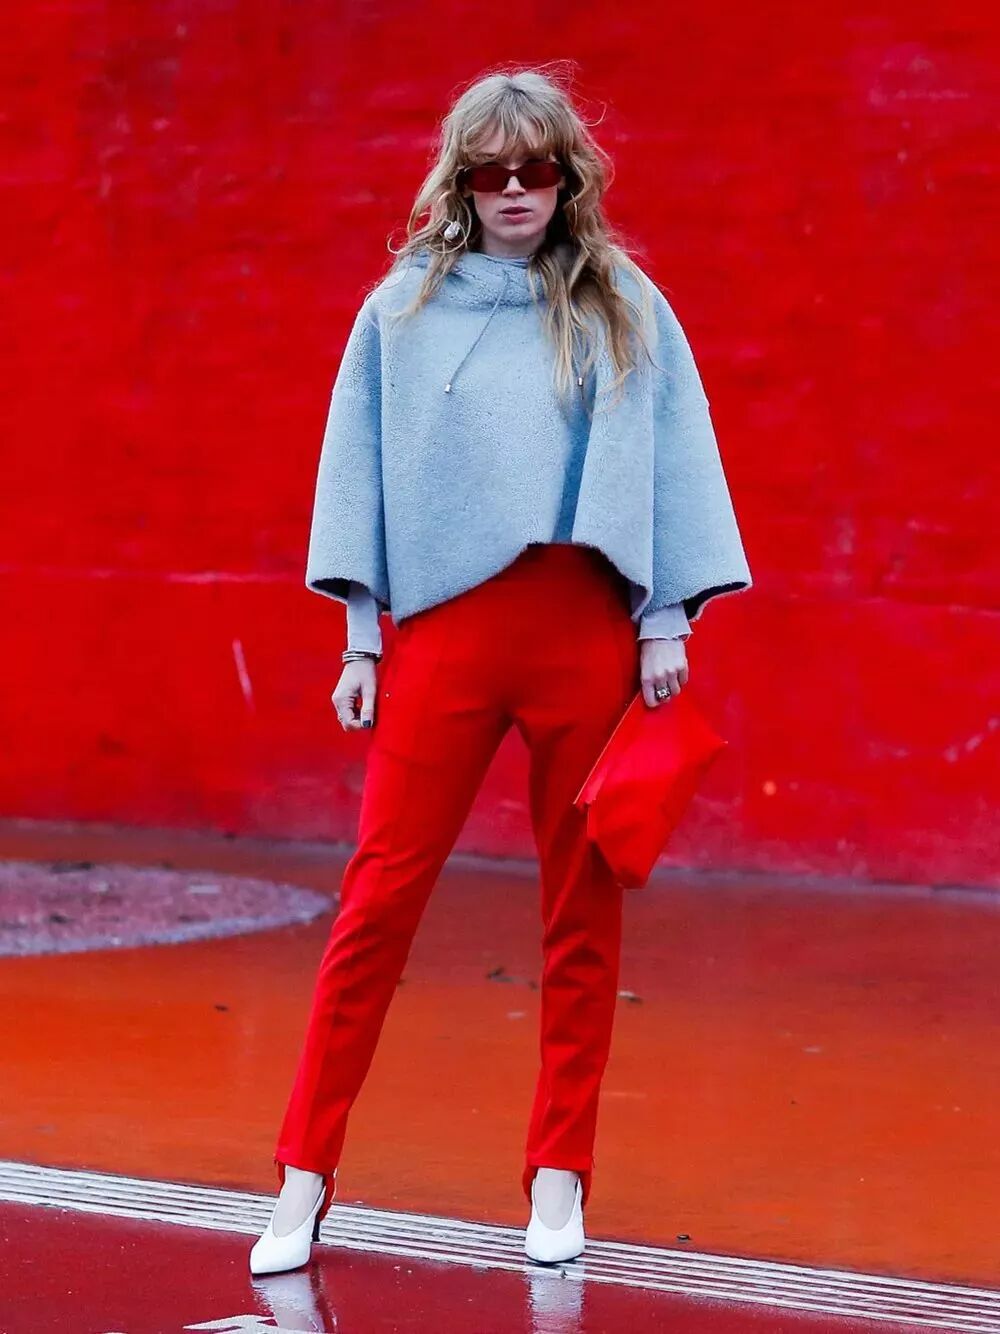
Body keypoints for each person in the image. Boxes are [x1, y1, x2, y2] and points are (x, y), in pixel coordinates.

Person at [250, 65, 752, 1275]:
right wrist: (360, 633)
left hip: (584, 624)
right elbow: (357, 466)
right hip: (444, 630)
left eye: (539, 169)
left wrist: (665, 617)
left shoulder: (624, 300)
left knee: (583, 907)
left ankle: (559, 1173)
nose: (515, 190)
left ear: (570, 177)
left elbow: (670, 453)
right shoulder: (401, 310)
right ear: (459, 180)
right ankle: (302, 1176)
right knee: (377, 900)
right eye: (491, 170)